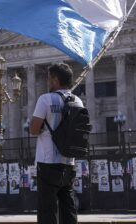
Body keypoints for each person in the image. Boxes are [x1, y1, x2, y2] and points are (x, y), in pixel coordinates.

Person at [30, 63, 82, 224]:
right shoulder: (78, 101)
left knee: (48, 209)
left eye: (49, 78)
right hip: (68, 162)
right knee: (68, 206)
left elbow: (33, 129)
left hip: (47, 161)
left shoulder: (45, 99)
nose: (48, 82)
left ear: (56, 80)